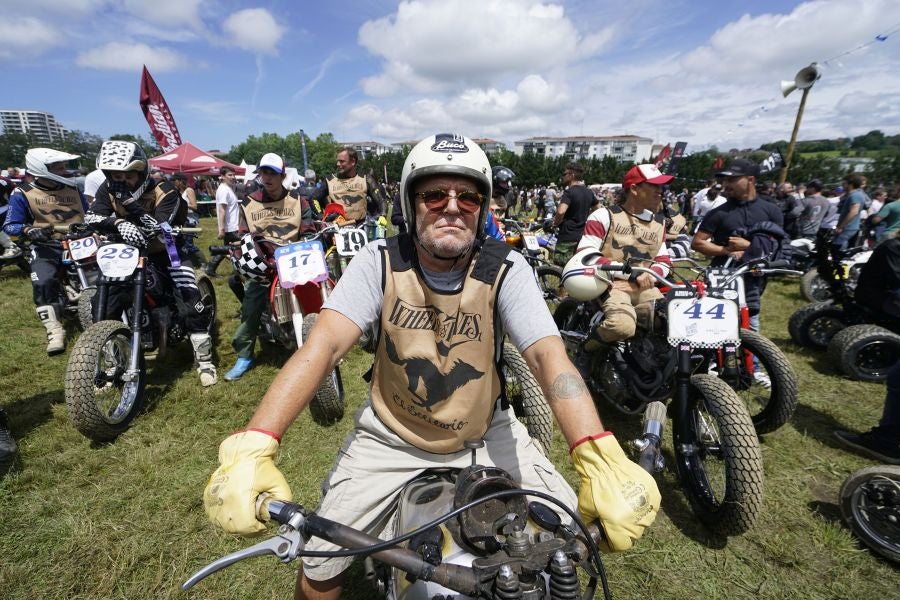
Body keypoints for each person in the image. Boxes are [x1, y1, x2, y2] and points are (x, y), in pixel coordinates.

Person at [203, 133, 660, 600]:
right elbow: (321, 348)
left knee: (568, 545)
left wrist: (597, 454)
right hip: (390, 437)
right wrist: (254, 444)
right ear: (410, 201)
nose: (452, 206)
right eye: (434, 194)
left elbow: (548, 357)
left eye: (468, 195)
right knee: (321, 567)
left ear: (483, 206)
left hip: (488, 433)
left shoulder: (505, 268)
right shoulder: (379, 261)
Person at [85, 140, 217, 386]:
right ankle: (113, 362)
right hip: (129, 253)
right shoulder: (108, 188)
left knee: (188, 296)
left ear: (141, 170)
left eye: (128, 175)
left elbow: (156, 225)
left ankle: (204, 359)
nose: (123, 181)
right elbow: (93, 215)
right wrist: (118, 224)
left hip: (166, 252)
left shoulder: (165, 190)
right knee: (103, 303)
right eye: (116, 175)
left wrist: (130, 207)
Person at [224, 153, 316, 382]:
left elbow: (308, 230)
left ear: (282, 175)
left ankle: (321, 343)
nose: (267, 177)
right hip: (263, 266)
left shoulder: (299, 200)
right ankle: (244, 355)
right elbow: (243, 234)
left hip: (295, 262)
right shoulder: (249, 202)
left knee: (316, 298)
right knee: (251, 306)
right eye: (263, 172)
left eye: (272, 173)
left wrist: (308, 240)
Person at [573, 164, 673, 345]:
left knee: (670, 322)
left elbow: (663, 260)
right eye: (654, 186)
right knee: (622, 326)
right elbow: (587, 254)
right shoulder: (603, 216)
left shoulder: (660, 222)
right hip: (608, 284)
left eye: (662, 186)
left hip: (645, 287)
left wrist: (648, 275)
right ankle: (586, 350)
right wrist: (631, 275)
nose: (661, 191)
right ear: (634, 189)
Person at [2, 148, 87, 355]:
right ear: (42, 168)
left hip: (80, 242)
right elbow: (10, 225)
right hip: (46, 245)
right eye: (57, 167)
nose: (63, 170)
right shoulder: (22, 192)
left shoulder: (74, 188)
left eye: (63, 166)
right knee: (43, 281)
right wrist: (29, 230)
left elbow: (90, 212)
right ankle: (55, 329)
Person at [316, 147, 385, 225]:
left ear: (352, 162)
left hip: (361, 227)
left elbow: (381, 200)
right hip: (337, 229)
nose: (338, 164)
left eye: (342, 161)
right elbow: (314, 199)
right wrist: (321, 216)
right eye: (337, 161)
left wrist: (383, 214)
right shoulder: (330, 180)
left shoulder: (365, 179)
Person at [551, 163, 593, 267]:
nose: (563, 176)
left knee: (561, 265)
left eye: (564, 174)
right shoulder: (589, 192)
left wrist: (555, 223)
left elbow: (561, 211)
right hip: (583, 235)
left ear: (572, 175)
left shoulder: (569, 192)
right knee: (576, 266)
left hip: (568, 234)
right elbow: (599, 208)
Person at [833, 174, 867, 250]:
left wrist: (840, 227)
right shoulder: (853, 195)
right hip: (848, 227)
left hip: (848, 228)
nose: (842, 186)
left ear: (851, 184)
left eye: (844, 183)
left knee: (837, 248)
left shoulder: (855, 195)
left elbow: (854, 212)